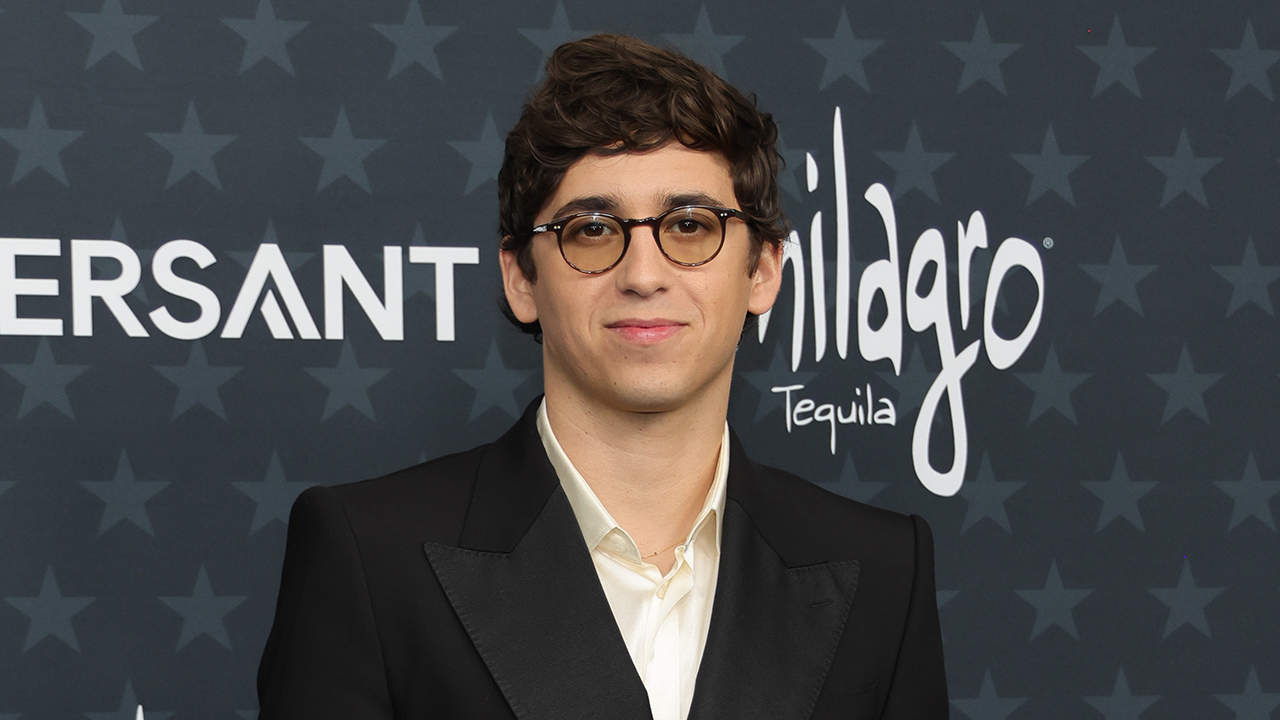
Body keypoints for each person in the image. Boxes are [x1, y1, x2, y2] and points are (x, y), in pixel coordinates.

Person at [257, 34, 947, 720]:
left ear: (763, 270)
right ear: (521, 277)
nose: (643, 275)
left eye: (690, 225)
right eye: (591, 230)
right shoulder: (370, 556)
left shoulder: (883, 567)